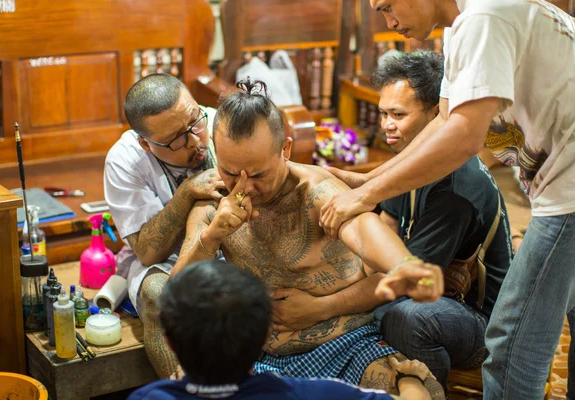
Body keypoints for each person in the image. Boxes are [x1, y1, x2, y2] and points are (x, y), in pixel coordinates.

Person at [320, 1, 575, 399]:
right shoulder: (459, 31)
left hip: (568, 191)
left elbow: (464, 135)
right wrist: (367, 179)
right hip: (557, 187)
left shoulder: (483, 17)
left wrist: (366, 194)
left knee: (512, 344)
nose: (389, 22)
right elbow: (443, 121)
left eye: (387, 7)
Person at [169, 78, 446, 399]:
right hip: (250, 356)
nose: (245, 186)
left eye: (258, 174)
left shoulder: (316, 191)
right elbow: (176, 294)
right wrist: (213, 234)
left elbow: (362, 228)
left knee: (412, 389)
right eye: (231, 172)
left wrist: (403, 264)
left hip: (345, 344)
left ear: (285, 149)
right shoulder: (212, 203)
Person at [273, 50, 512, 393]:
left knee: (403, 318)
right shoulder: (409, 163)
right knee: (371, 307)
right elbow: (384, 231)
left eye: (398, 114)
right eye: (384, 113)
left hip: (482, 322)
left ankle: (431, 389)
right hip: (434, 292)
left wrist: (317, 309)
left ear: (437, 113)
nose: (386, 124)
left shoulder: (456, 189)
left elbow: (402, 282)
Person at [128, 259, 435, 400]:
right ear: (265, 335)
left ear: (169, 341)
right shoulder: (311, 394)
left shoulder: (149, 397)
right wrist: (410, 380)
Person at [104, 73, 225, 378]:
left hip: (235, 242)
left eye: (195, 121)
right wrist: (185, 193)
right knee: (161, 296)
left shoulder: (222, 123)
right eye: (176, 139)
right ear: (146, 143)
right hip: (163, 261)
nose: (196, 140)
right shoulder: (125, 160)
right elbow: (146, 252)